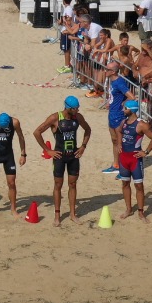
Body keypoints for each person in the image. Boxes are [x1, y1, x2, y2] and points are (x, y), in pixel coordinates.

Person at [33, 96, 91, 226]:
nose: (77, 111)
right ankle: (57, 215)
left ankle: (72, 214)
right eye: (75, 109)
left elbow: (88, 129)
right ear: (68, 108)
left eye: (77, 108)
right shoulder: (55, 118)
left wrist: (83, 146)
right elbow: (37, 132)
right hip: (59, 156)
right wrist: (48, 150)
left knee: (73, 184)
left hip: (73, 156)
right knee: (58, 185)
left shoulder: (78, 117)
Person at [112, 101, 152, 221]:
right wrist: (118, 143)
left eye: (125, 108)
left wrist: (146, 152)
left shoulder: (141, 124)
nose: (123, 110)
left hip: (135, 159)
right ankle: (128, 208)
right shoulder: (124, 122)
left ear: (132, 110)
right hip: (124, 158)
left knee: (139, 185)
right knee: (125, 183)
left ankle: (141, 211)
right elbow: (118, 131)